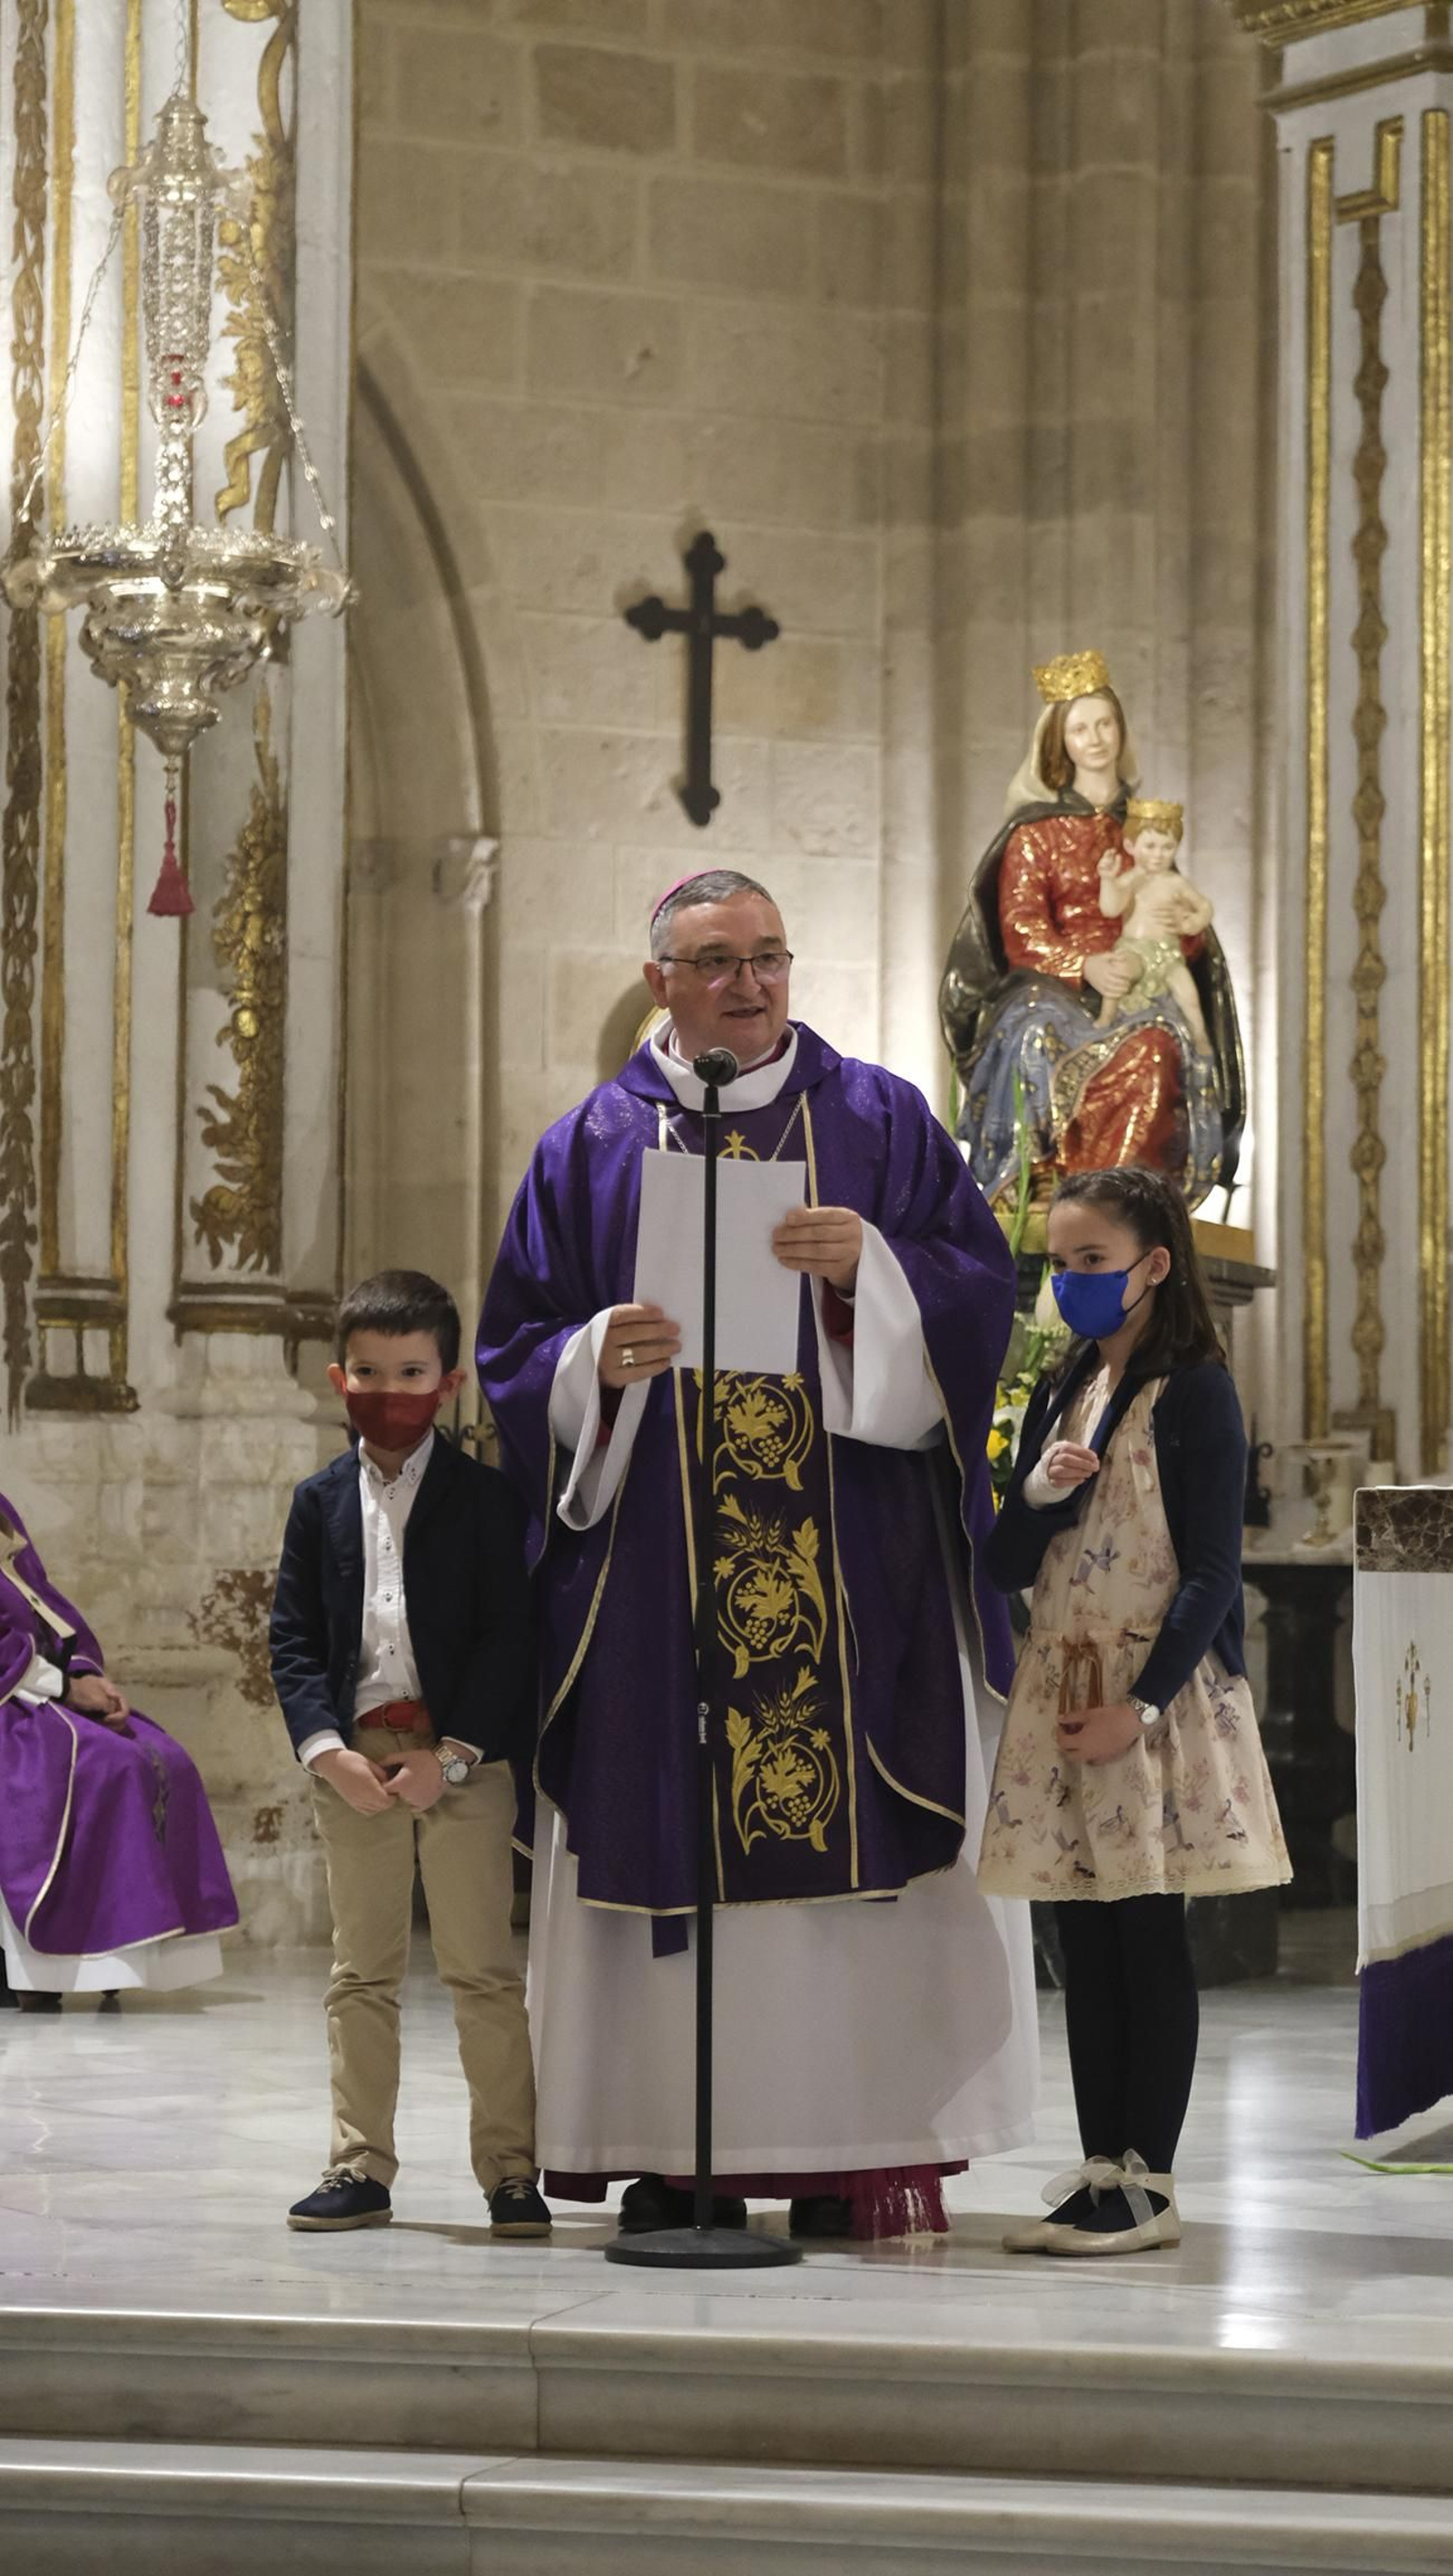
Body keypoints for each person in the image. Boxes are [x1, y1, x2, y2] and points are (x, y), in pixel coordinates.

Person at [477, 867, 1037, 2242]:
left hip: (849, 1572)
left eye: (772, 956)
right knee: (667, 1831)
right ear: (659, 975)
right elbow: (510, 1352)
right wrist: (589, 1363)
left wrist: (875, 1278)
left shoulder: (882, 1121)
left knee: (847, 1845)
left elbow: (982, 1299)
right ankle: (681, 2152)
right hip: (657, 1584)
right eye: (718, 959)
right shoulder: (587, 1147)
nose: (752, 982)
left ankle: (851, 2152)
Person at [978, 1166, 1289, 2255]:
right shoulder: (1065, 1386)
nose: (1071, 1283)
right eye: (1060, 1265)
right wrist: (1038, 1493)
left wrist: (1141, 1705)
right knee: (1083, 1935)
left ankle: (1148, 2184)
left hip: (1149, 1698)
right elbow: (1006, 1555)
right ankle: (1098, 2167)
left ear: (1154, 1264)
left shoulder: (1196, 1387)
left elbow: (1210, 1568)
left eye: (1092, 1262)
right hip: (1062, 1688)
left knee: (1146, 1934)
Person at [270, 1268, 546, 2237]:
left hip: (461, 1762)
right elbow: (293, 1639)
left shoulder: (485, 1498)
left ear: (450, 1379)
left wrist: (456, 1753)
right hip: (355, 1762)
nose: (391, 1391)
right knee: (362, 1972)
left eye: (412, 1371)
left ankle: (512, 2170)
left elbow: (510, 1637)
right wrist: (326, 1750)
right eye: (370, 1371)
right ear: (338, 1376)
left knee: (481, 1971)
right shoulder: (315, 1503)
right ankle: (358, 2163)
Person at [939, 650, 1240, 1213]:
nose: (1095, 738)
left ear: (1121, 731)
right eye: (1080, 728)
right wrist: (1085, 966)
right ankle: (1041, 1182)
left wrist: (1186, 930)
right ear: (1061, 742)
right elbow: (1021, 927)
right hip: (1052, 987)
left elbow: (1172, 916)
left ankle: (1120, 1204)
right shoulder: (1036, 832)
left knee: (1159, 1048)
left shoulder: (1145, 828)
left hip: (1139, 983)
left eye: (1105, 724)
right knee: (1034, 1038)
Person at [0, 1492, 237, 2011]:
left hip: (42, 1686)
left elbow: (46, 1602)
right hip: (11, 1697)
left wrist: (84, 1671)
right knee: (110, 1767)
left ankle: (130, 1954)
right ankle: (66, 1963)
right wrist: (61, 1686)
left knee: (166, 1758)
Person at [1096, 800, 1213, 1054]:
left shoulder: (1176, 883)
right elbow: (1110, 908)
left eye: (1167, 847)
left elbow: (1204, 907)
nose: (1158, 855)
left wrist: (1191, 922)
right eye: (1150, 846)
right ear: (1130, 846)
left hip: (1168, 954)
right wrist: (1107, 879)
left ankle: (1200, 1035)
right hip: (1136, 950)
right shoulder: (1130, 880)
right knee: (1120, 970)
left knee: (1188, 992)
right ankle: (1106, 1016)